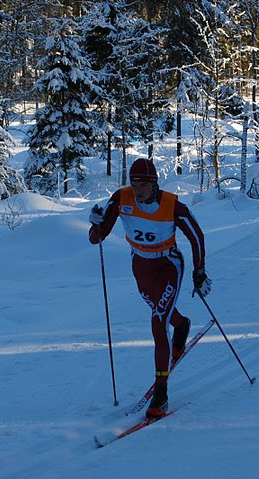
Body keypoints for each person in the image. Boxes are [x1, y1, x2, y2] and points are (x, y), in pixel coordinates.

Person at [88, 158, 211, 418]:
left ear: (154, 183)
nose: (137, 189)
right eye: (133, 183)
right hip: (140, 266)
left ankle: (161, 392)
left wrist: (199, 271)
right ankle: (181, 324)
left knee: (157, 323)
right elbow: (98, 237)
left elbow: (196, 236)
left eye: (143, 184)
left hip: (168, 265)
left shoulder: (171, 205)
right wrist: (96, 224)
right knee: (160, 310)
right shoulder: (121, 198)